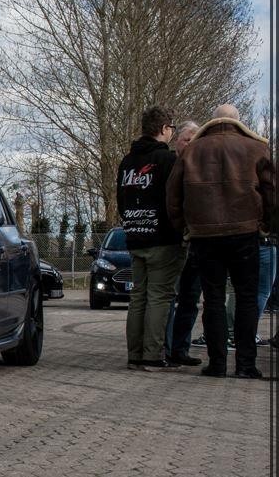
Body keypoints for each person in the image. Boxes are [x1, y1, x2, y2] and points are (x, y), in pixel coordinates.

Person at [167, 104, 275, 379]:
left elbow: (173, 195)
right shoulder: (256, 149)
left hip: (205, 235)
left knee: (212, 299)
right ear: (238, 122)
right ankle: (246, 365)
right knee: (247, 299)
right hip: (245, 232)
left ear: (212, 122)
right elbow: (272, 192)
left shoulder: (192, 150)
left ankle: (217, 364)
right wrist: (266, 227)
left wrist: (185, 229)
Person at [116, 105, 185, 372]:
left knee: (138, 297)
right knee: (159, 297)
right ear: (165, 129)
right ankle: (152, 356)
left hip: (134, 236)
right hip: (162, 239)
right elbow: (176, 200)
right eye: (172, 129)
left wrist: (132, 223)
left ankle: (135, 355)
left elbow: (122, 201)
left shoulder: (126, 162)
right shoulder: (167, 160)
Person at [164, 120, 203, 366]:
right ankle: (166, 347)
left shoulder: (201, 167)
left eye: (194, 140)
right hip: (172, 242)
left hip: (196, 244)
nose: (190, 144)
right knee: (169, 297)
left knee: (191, 299)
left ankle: (181, 348)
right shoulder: (167, 164)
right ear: (177, 140)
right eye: (186, 139)